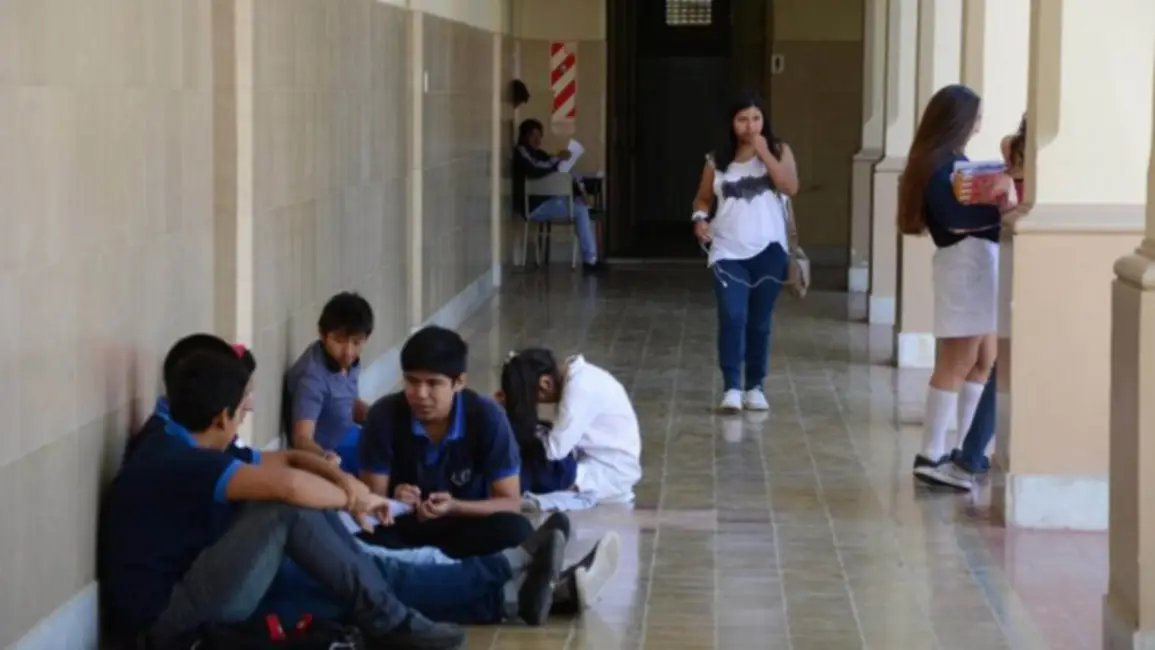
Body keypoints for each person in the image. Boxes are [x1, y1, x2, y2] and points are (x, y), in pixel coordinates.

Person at [99, 350, 468, 650]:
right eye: (242, 409)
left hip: (190, 588)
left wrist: (349, 486)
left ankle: (392, 613)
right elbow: (289, 487)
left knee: (334, 566)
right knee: (284, 508)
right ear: (222, 417)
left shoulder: (174, 436)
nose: (246, 413)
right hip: (166, 623)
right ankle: (391, 620)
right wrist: (355, 500)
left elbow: (288, 462)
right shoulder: (180, 459)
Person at [896, 84, 1018, 491]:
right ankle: (931, 453)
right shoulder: (939, 166)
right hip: (963, 268)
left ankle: (966, 451)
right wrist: (1001, 209)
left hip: (977, 267)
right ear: (958, 120)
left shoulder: (952, 163)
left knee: (984, 359)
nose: (980, 125)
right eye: (976, 117)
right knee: (957, 360)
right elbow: (954, 220)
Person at [358, 326, 535, 557]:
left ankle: (424, 565)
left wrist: (454, 507)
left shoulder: (487, 417)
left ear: (459, 382)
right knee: (357, 537)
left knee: (516, 529)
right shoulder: (383, 415)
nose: (420, 394)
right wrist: (394, 499)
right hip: (405, 527)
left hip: (464, 527)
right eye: (412, 381)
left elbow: (510, 502)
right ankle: (449, 568)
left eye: (433, 383)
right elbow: (373, 502)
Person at [691, 90, 800, 413]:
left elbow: (790, 186)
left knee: (759, 321)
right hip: (727, 251)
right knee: (732, 316)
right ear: (731, 123)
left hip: (770, 250)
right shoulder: (716, 160)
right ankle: (732, 387)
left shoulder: (779, 150)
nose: (750, 126)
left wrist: (764, 151)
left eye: (756, 118)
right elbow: (703, 198)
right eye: (742, 119)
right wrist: (699, 218)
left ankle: (755, 386)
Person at [499, 348, 642, 504]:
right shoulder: (576, 378)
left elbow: (554, 451)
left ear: (545, 383)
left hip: (607, 471)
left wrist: (511, 419)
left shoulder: (580, 389)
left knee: (535, 467)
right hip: (585, 456)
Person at [285, 292, 374, 473]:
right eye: (339, 341)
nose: (348, 352)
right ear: (322, 334)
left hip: (349, 433)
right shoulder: (312, 380)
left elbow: (346, 402)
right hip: (332, 451)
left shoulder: (346, 362)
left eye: (356, 343)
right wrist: (325, 457)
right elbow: (301, 439)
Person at [513, 118, 604, 273]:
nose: (537, 139)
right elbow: (535, 169)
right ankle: (590, 260)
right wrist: (556, 159)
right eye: (533, 135)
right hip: (534, 206)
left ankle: (592, 256)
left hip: (549, 201)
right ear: (524, 136)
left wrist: (580, 190)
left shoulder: (540, 154)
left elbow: (560, 172)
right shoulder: (521, 152)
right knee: (581, 210)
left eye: (540, 136)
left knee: (581, 204)